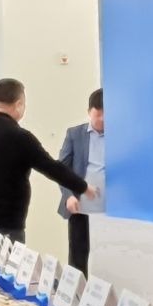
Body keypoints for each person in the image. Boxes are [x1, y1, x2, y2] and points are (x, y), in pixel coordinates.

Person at [0, 77, 92, 250]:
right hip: (5, 225)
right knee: (2, 277)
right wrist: (84, 187)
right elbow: (52, 168)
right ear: (19, 104)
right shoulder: (20, 137)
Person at [57, 87, 104, 273]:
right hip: (80, 206)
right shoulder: (75, 134)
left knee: (109, 256)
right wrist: (68, 195)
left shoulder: (121, 135)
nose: (102, 119)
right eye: (98, 114)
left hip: (110, 209)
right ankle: (77, 298)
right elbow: (61, 169)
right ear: (89, 112)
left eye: (106, 114)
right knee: (78, 255)